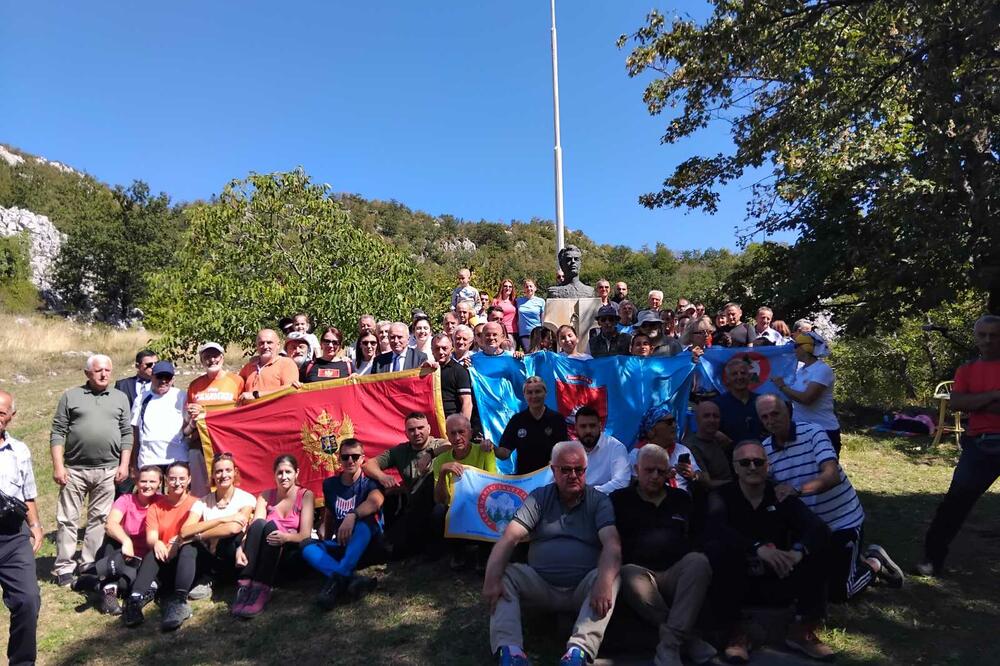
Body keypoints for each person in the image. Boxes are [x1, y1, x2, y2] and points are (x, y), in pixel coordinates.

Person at [483, 441, 621, 666]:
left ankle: (578, 652)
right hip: (541, 585)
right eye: (565, 469)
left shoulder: (599, 500)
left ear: (586, 471)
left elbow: (612, 544)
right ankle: (510, 652)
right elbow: (510, 538)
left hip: (583, 589)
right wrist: (491, 578)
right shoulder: (538, 497)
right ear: (553, 470)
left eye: (579, 470)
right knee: (503, 574)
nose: (573, 475)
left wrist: (604, 583)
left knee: (610, 575)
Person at [756, 394, 904, 603]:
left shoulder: (814, 432)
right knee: (803, 584)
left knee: (840, 593)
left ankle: (874, 562)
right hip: (810, 529)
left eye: (775, 413)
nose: (771, 420)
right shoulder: (764, 452)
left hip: (843, 522)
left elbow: (831, 476)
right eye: (764, 417)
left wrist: (797, 490)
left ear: (789, 412)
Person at [705, 440, 833, 662]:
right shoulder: (721, 496)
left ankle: (802, 629)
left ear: (767, 465)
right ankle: (736, 634)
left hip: (778, 575)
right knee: (718, 550)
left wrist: (797, 552)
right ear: (735, 467)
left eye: (758, 461)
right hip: (737, 581)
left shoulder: (781, 495)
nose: (752, 467)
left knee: (819, 547)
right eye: (745, 462)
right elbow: (715, 529)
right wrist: (757, 549)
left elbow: (817, 527)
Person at [612, 445, 714, 666]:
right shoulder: (619, 500)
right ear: (637, 469)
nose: (655, 476)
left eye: (661, 471)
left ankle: (670, 645)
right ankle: (688, 639)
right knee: (627, 573)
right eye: (649, 470)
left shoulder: (681, 499)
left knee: (699, 562)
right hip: (639, 573)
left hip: (676, 571)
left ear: (669, 472)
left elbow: (696, 534)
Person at [919, 314, 1000, 576]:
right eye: (983, 335)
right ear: (976, 337)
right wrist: (994, 396)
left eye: (994, 335)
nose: (988, 340)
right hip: (979, 445)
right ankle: (932, 559)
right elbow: (957, 404)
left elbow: (967, 402)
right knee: (954, 504)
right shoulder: (966, 370)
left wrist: (975, 401)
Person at [50, 354, 132, 586]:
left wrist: (124, 464)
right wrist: (58, 466)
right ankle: (64, 566)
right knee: (68, 519)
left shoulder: (119, 397)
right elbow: (57, 432)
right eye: (98, 371)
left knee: (99, 518)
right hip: (74, 469)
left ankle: (88, 563)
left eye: (107, 370)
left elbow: (127, 432)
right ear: (88, 373)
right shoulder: (71, 396)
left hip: (108, 469)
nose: (104, 374)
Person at [303, 438, 384, 608]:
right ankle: (352, 579)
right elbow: (331, 512)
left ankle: (335, 584)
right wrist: (327, 529)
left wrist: (352, 515)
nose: (350, 461)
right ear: (339, 459)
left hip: (369, 544)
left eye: (355, 457)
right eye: (345, 457)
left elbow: (375, 501)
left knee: (365, 522)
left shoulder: (370, 482)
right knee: (307, 546)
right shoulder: (331, 484)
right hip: (343, 543)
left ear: (363, 459)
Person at [232, 454, 315, 617]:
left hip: (289, 551)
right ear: (274, 474)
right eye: (280, 472)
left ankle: (261, 589)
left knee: (270, 527)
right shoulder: (265, 496)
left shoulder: (305, 495)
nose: (284, 477)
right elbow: (254, 529)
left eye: (288, 472)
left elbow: (305, 535)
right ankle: (245, 586)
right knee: (260, 524)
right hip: (264, 550)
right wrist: (241, 548)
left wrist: (285, 537)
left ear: (296, 473)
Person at [73, 465, 163, 615]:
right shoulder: (126, 500)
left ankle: (91, 582)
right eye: (143, 481)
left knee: (127, 586)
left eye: (152, 482)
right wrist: (126, 541)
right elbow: (110, 524)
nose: (147, 485)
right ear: (136, 482)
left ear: (160, 483)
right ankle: (108, 595)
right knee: (112, 540)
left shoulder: (162, 502)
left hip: (144, 559)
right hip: (121, 554)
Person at [362, 412, 449, 558]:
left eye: (420, 428)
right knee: (395, 550)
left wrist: (430, 454)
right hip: (415, 508)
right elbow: (368, 465)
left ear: (428, 428)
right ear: (406, 433)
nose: (417, 433)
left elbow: (452, 446)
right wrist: (382, 476)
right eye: (411, 430)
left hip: (440, 504)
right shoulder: (400, 451)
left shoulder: (439, 444)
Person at [124, 461, 199, 630]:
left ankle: (180, 601)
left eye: (182, 478)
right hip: (165, 558)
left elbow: (196, 534)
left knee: (189, 547)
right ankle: (134, 601)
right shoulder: (156, 507)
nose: (177, 483)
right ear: (166, 480)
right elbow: (151, 536)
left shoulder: (196, 503)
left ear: (189, 480)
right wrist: (156, 542)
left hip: (188, 560)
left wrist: (178, 542)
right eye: (172, 479)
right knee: (153, 552)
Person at [0, 389, 43, 666]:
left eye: (1, 413)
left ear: (11, 417)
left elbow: (28, 493)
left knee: (28, 600)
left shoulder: (20, 450)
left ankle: (22, 662)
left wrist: (35, 525)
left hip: (14, 536)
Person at [180, 453, 256, 599]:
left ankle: (231, 579)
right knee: (189, 547)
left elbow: (234, 528)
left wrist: (202, 535)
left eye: (228, 470)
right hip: (210, 555)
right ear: (213, 475)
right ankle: (204, 581)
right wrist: (223, 520)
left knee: (230, 538)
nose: (224, 475)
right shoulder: (202, 502)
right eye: (219, 471)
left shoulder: (246, 498)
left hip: (232, 553)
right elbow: (184, 531)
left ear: (235, 472)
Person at [432, 414, 497, 570]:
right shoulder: (441, 461)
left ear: (470, 432)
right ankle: (457, 553)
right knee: (438, 512)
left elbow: (493, 487)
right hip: (455, 509)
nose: (457, 437)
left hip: (480, 504)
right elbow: (439, 499)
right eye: (452, 433)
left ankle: (484, 555)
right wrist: (442, 474)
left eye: (461, 432)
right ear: (447, 436)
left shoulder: (485, 451)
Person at [185, 342, 244, 496]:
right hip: (201, 443)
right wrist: (192, 416)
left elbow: (244, 412)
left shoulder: (236, 381)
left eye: (215, 355)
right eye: (207, 356)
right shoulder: (195, 385)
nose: (212, 360)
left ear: (222, 358)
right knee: (201, 490)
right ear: (201, 360)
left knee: (230, 483)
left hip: (229, 442)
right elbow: (187, 420)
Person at [773, 331, 841, 454]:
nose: (794, 350)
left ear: (806, 347)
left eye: (796, 346)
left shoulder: (822, 370)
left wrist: (782, 386)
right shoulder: (801, 371)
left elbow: (807, 399)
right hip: (800, 428)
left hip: (824, 430)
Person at [496, 377, 569, 475]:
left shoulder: (557, 419)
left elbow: (563, 451)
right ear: (524, 395)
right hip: (525, 480)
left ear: (545, 393)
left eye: (538, 391)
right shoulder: (517, 420)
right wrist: (492, 448)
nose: (534, 396)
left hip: (551, 478)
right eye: (529, 392)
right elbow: (504, 453)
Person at [629, 406, 704, 493]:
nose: (674, 425)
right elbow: (634, 486)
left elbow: (704, 479)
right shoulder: (637, 455)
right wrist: (664, 477)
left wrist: (693, 475)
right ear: (651, 431)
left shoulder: (682, 450)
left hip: (683, 501)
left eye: (674, 421)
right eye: (668, 422)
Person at [131, 361, 188, 475]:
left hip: (176, 457)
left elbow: (188, 426)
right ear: (152, 377)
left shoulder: (181, 396)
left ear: (173, 379)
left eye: (167, 377)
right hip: (148, 458)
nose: (163, 381)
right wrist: (133, 463)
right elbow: (135, 432)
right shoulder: (141, 398)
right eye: (159, 377)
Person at [572, 406, 630, 494]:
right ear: (576, 428)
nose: (588, 431)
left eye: (592, 426)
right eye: (583, 426)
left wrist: (588, 494)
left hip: (604, 502)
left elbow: (622, 482)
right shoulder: (569, 449)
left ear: (600, 426)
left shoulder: (615, 447)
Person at [711, 356, 766, 445]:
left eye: (743, 373)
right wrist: (715, 433)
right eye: (734, 374)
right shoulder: (717, 405)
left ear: (749, 376)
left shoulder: (762, 402)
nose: (740, 377)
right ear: (727, 379)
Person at [239, 329, 300, 401]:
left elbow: (290, 390)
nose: (265, 346)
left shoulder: (286, 364)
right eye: (261, 343)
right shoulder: (248, 367)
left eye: (269, 342)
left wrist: (257, 395)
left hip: (274, 411)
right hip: (250, 411)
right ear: (257, 346)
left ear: (278, 345)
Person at [682, 401, 733, 488]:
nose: (712, 420)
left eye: (715, 416)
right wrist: (736, 484)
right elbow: (707, 483)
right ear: (697, 419)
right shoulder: (691, 447)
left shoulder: (719, 440)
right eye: (706, 416)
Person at [432, 334, 473, 420]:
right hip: (432, 423)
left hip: (452, 423)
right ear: (432, 350)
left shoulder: (459, 371)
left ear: (451, 349)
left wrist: (462, 426)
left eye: (444, 348)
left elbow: (467, 402)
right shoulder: (428, 371)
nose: (441, 352)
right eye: (437, 348)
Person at [516, 279, 545, 351]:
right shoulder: (518, 301)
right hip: (524, 333)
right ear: (524, 289)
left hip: (537, 332)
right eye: (526, 287)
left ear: (535, 288)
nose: (529, 288)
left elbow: (543, 319)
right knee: (528, 353)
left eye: (530, 286)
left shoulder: (541, 301)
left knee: (537, 354)